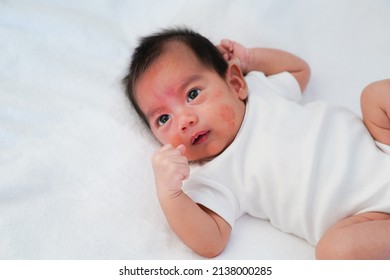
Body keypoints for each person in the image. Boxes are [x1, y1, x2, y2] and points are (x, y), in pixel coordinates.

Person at [122, 27, 390, 259]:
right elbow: (210, 242)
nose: (184, 120)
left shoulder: (261, 91)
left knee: (376, 95)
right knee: (334, 251)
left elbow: (299, 69)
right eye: (163, 118)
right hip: (371, 217)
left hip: (382, 145)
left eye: (192, 94)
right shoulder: (209, 175)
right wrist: (170, 194)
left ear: (236, 83)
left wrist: (250, 58)